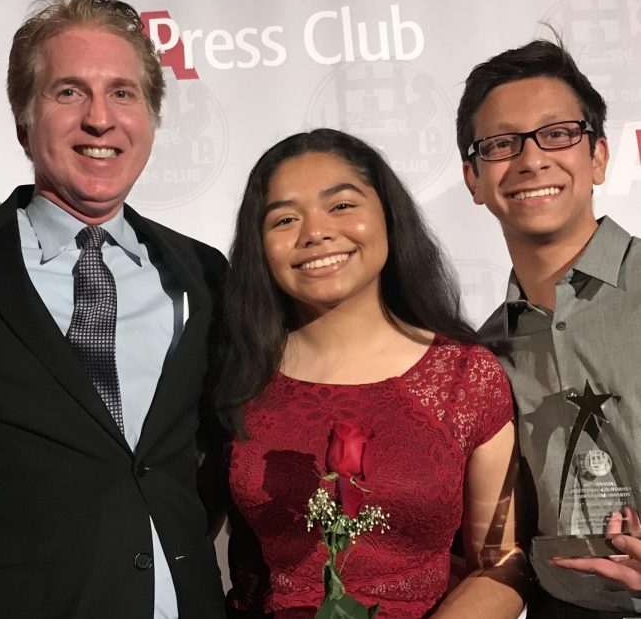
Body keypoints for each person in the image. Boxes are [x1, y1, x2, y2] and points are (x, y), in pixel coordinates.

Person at [0, 0, 227, 619]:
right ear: (25, 121)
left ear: (151, 118)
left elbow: (208, 463)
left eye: (124, 93)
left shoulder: (204, 275)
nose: (100, 119)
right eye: (69, 91)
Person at [216, 128, 527, 619]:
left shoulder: (465, 376)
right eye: (285, 218)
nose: (315, 232)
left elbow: (503, 560)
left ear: (388, 215)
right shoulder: (233, 376)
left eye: (341, 206)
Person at [459, 38, 641, 617]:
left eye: (558, 133)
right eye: (502, 143)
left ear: (600, 157)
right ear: (474, 178)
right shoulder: (483, 354)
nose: (532, 159)